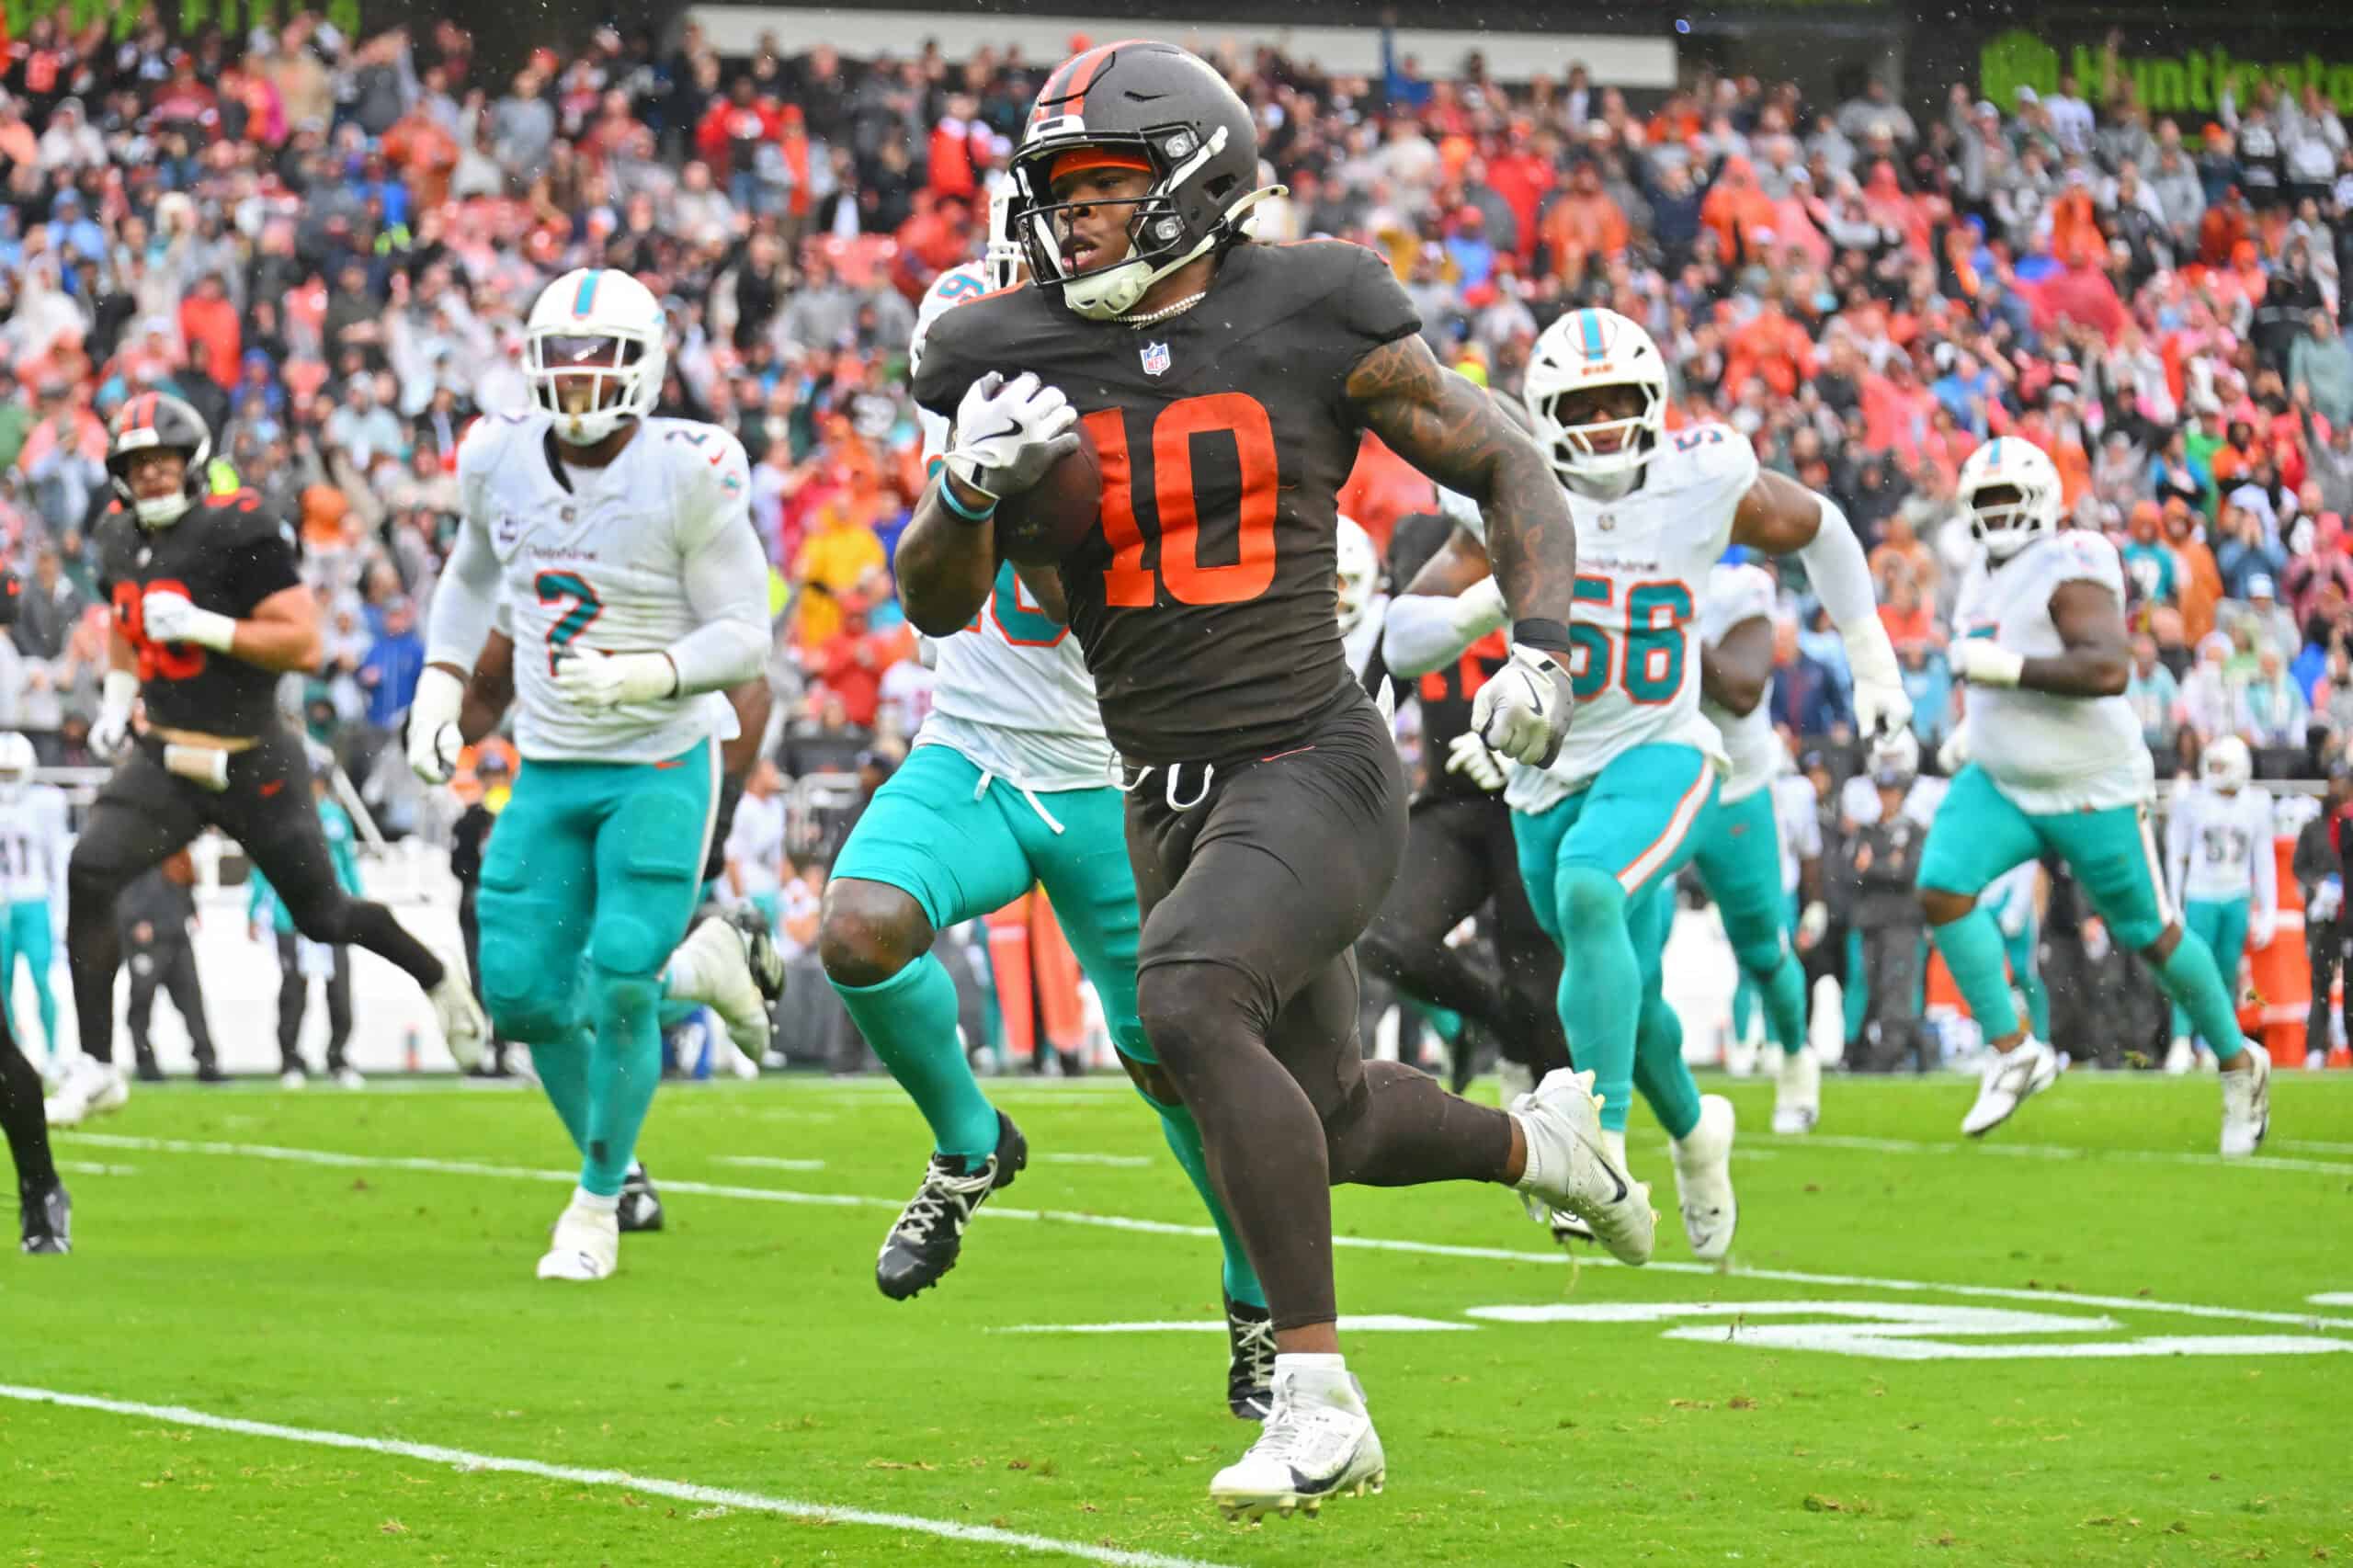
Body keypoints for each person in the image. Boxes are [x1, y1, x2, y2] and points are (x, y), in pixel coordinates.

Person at [904, 41, 1621, 1517]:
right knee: (1328, 1114)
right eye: (1055, 192)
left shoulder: (1315, 303)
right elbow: (933, 597)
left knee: (1183, 996)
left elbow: (1508, 462)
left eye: (1101, 187)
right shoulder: (998, 350)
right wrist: (965, 488)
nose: (1070, 217)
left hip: (1312, 754)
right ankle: (1543, 1144)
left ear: (1191, 183)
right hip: (1156, 787)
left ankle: (1317, 1398)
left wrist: (1541, 652)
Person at [821, 233, 1280, 1419]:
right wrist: (972, 482)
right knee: (860, 929)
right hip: (972, 747)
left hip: (1119, 776)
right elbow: (930, 591)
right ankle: (968, 1143)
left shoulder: (1154, 389)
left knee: (1175, 1062)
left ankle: (1257, 1303)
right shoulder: (964, 348)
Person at [1385, 306, 1911, 1264]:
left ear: (1656, 398)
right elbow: (1401, 635)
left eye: (1620, 401)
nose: (1603, 424)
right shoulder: (1513, 486)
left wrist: (1873, 663)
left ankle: (1601, 1149)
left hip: (1666, 746)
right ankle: (1698, 1134)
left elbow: (1822, 526)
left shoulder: (1698, 475)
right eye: (1582, 407)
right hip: (1548, 777)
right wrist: (1478, 606)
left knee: (1591, 889)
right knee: (1632, 999)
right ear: (1544, 414)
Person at [408, 268, 774, 1282]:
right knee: (522, 996)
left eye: (597, 362)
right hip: (553, 762)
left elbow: (747, 636)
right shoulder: (495, 455)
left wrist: (651, 671)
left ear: (643, 368)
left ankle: (600, 1200)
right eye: (561, 363)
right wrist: (439, 686)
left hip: (658, 755)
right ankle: (706, 968)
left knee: (616, 977)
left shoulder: (691, 468)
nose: (577, 382)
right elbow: (470, 573)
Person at [45, 392, 486, 1128]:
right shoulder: (117, 535)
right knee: (89, 871)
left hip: (252, 757)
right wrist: (119, 699)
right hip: (168, 756)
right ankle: (96, 1064)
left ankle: (436, 976)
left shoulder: (238, 526)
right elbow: (125, 621)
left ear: (192, 462)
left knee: (323, 914)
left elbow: (304, 644)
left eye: (163, 462)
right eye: (137, 464)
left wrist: (206, 626)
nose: (151, 475)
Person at [1923, 438, 2271, 1155]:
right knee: (1942, 889)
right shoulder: (1979, 575)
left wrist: (2006, 669)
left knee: (2152, 936)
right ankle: (2014, 1050)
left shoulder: (2070, 558)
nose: (1999, 513)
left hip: (2089, 784)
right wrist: (1974, 728)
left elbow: (2107, 667)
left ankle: (2239, 1062)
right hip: (2005, 780)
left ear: (2045, 501)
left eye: (2010, 498)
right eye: (1986, 501)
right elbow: (1994, 669)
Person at [1360, 506, 1568, 1108]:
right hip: (1451, 808)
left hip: (1529, 803)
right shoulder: (1408, 620)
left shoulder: (1523, 598)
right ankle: (1497, 1019)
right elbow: (1367, 705)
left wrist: (1511, 754)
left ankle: (1568, 1120)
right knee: (1381, 932)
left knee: (1539, 989)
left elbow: (1585, 692)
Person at [2163, 735, 2277, 1074]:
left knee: (2226, 975)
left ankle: (2214, 1044)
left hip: (2237, 895)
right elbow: (2176, 854)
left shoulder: (2257, 803)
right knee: (2188, 971)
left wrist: (2268, 909)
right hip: (2200, 894)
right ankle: (2181, 1040)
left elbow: (2263, 858)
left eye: (2220, 765)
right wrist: (2173, 901)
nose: (2213, 771)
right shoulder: (2193, 800)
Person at [248, 764, 363, 1088]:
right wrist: (254, 910)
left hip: (335, 914)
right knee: (293, 992)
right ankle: (290, 1059)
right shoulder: (280, 816)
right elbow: (263, 866)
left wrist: (361, 905)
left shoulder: (336, 818)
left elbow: (348, 864)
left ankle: (337, 1057)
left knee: (339, 992)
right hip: (290, 915)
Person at [1842, 742, 1931, 1073]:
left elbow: (1910, 872)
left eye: (1893, 791)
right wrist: (1887, 866)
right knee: (1869, 986)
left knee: (1899, 986)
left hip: (1902, 921)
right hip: (1871, 921)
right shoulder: (1868, 830)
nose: (1887, 797)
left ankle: (1895, 1048)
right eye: (1883, 791)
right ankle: (1864, 1048)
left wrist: (1873, 867)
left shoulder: (1913, 830)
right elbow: (1849, 872)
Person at [118, 851, 220, 1083]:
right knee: (141, 1003)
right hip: (147, 941)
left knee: (192, 1002)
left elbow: (183, 885)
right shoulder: (133, 850)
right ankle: (146, 1064)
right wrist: (134, 921)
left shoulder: (176, 850)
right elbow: (123, 889)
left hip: (177, 937)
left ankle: (207, 1063)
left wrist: (191, 910)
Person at [0, 732, 66, 1069]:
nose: (7, 781)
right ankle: (12, 1054)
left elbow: (57, 860)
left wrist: (61, 911)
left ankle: (52, 1052)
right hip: (1, 906)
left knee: (43, 979)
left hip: (34, 900)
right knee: (2, 984)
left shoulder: (46, 802)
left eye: (11, 773)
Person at [2293, 763, 2352, 1067]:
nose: (2337, 788)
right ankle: (2316, 1047)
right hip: (2322, 917)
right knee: (2320, 983)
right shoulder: (2314, 827)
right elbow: (2299, 866)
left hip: (2350, 916)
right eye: (2333, 782)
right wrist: (2318, 885)